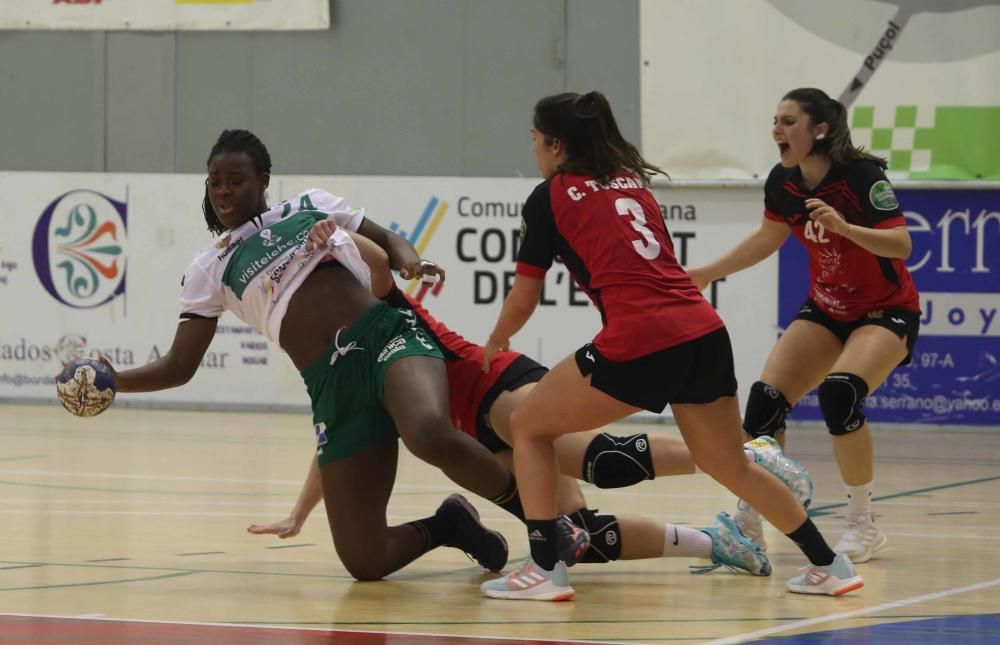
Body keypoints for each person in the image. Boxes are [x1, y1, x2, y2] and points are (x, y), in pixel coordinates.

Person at [96, 129, 540, 581]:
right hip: (331, 387)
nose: (224, 190)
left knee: (428, 432)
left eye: (236, 179)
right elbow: (179, 365)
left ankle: (547, 529)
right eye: (215, 182)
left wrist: (409, 262)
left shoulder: (308, 206)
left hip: (384, 336)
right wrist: (118, 381)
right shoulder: (208, 269)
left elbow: (388, 239)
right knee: (365, 561)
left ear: (263, 179)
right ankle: (449, 525)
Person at [479, 91, 862, 601]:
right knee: (731, 464)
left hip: (641, 336)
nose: (532, 149)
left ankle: (546, 569)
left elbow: (525, 299)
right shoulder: (632, 184)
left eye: (533, 139)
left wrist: (498, 336)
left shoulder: (548, 196)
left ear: (555, 144)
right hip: (703, 331)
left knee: (527, 426)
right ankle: (830, 564)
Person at [249, 285, 798, 577]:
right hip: (479, 437)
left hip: (492, 388)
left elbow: (374, 253)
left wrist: (333, 226)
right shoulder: (348, 361)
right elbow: (338, 438)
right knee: (576, 536)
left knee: (594, 458)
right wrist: (301, 511)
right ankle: (719, 543)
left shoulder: (377, 302)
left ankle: (747, 453)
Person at [687, 88, 920, 563]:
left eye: (789, 121)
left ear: (820, 130)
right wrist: (710, 271)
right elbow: (769, 238)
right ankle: (751, 516)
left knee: (840, 394)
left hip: (885, 310)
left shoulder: (860, 177)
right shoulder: (784, 181)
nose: (778, 129)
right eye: (775, 120)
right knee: (766, 402)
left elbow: (901, 244)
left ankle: (862, 524)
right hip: (827, 308)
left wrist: (847, 228)